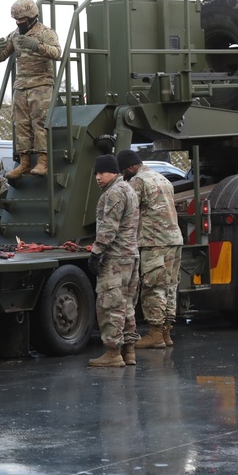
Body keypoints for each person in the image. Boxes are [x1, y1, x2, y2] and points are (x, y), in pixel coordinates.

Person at [117, 149, 184, 348]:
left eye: (124, 171)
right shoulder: (163, 179)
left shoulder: (139, 181)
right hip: (174, 239)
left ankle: (155, 334)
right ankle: (165, 333)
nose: (123, 175)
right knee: (169, 286)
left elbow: (128, 209)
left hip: (154, 242)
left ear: (131, 167)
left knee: (153, 287)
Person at [0, 0, 61, 180]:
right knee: (21, 125)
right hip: (21, 87)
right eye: (16, 20)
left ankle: (42, 162)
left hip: (41, 86)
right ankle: (24, 162)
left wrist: (37, 46)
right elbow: (2, 55)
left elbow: (57, 52)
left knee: (39, 124)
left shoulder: (46, 33)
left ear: (32, 17)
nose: (19, 23)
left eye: (22, 20)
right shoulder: (15, 35)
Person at [86, 153, 140, 367]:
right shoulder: (129, 189)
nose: (98, 177)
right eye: (96, 173)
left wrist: (96, 252)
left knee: (110, 304)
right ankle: (129, 351)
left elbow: (109, 227)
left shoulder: (114, 193)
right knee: (127, 305)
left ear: (115, 172)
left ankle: (112, 353)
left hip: (116, 258)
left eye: (102, 172)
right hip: (130, 255)